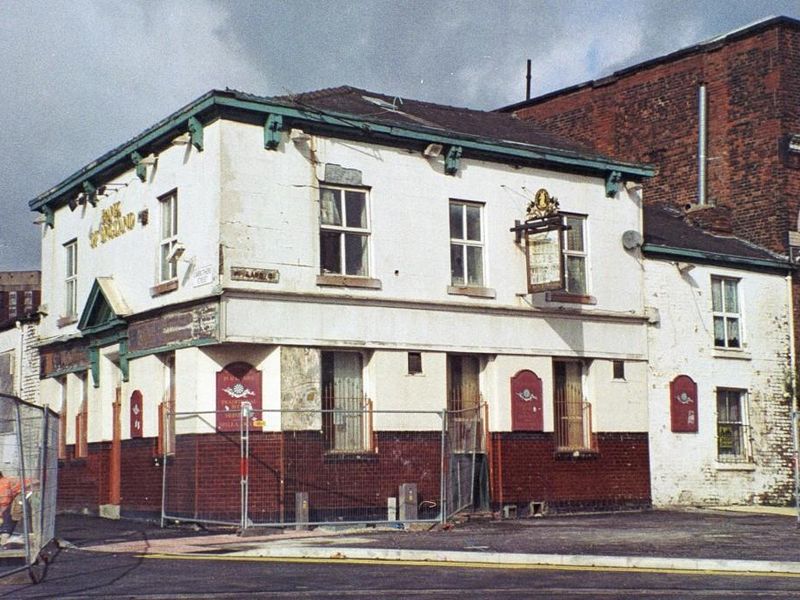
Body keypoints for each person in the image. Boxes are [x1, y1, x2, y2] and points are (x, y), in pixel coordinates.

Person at [0, 471, 32, 547]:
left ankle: (5, 537)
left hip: (29, 492)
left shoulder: (3, 484)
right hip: (27, 491)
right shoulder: (6, 481)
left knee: (12, 512)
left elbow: (5, 503)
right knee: (9, 512)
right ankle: (5, 535)